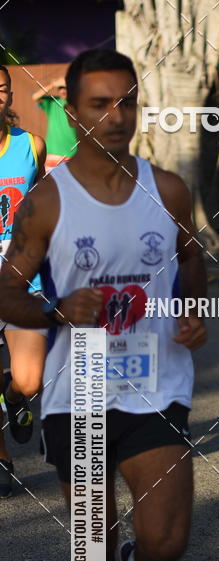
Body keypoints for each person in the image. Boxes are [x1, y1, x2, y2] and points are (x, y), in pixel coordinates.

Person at [0, 49, 207, 561]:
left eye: (127, 102)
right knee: (89, 533)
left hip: (155, 382)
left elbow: (193, 265)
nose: (116, 118)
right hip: (79, 387)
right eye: (99, 104)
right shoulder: (46, 201)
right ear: (74, 109)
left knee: (167, 540)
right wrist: (54, 307)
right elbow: (5, 289)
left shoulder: (168, 189)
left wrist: (194, 312)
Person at [0, 64, 47, 498]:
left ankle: (13, 399)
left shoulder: (30, 145)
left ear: (10, 95)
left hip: (21, 278)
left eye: (1, 88)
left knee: (29, 379)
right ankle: (2, 458)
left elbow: (46, 206)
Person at [32, 76, 77, 168]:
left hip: (73, 154)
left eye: (65, 88)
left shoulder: (78, 103)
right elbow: (35, 96)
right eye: (60, 88)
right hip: (53, 154)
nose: (62, 91)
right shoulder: (53, 102)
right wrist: (52, 85)